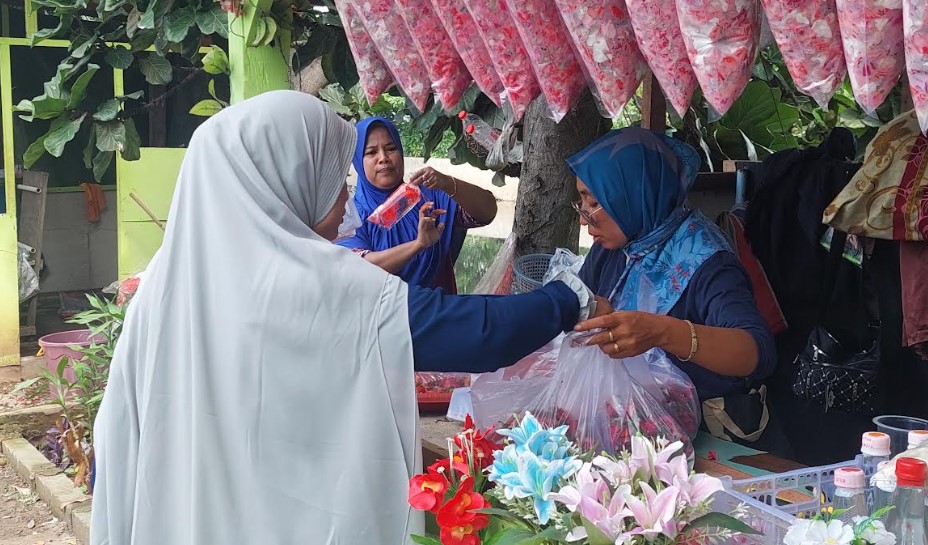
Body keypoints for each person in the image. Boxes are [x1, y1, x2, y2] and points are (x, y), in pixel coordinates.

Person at [89, 91, 604, 545]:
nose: (345, 197)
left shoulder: (160, 288)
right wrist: (567, 298)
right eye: (336, 176)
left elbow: (116, 442)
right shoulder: (313, 285)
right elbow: (474, 333)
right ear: (287, 178)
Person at [569, 128, 784, 452]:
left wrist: (663, 332)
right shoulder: (616, 248)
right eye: (582, 201)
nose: (585, 220)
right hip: (625, 428)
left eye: (595, 202)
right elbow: (580, 303)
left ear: (634, 193)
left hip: (703, 438)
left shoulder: (708, 262)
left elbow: (757, 352)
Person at [338, 117, 498, 294]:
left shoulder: (428, 196)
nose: (383, 158)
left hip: (439, 311)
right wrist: (418, 245)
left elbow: (487, 212)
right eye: (371, 152)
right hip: (385, 316)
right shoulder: (349, 215)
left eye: (391, 148)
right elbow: (359, 268)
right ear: (357, 161)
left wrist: (448, 183)